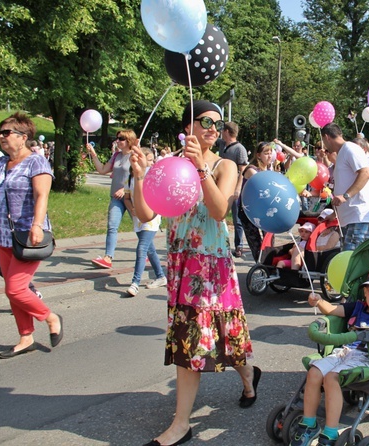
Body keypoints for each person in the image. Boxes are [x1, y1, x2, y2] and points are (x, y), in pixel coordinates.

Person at [129, 101, 259, 446]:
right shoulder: (169, 164)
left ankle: (244, 382)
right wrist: (140, 177)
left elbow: (218, 211)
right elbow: (145, 214)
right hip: (181, 264)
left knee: (216, 338)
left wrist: (201, 168)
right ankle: (183, 422)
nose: (213, 128)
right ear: (188, 125)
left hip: (212, 265)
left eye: (218, 124)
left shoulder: (224, 164)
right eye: (205, 121)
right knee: (196, 341)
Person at [291, 268, 369, 446]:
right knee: (314, 372)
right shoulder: (357, 307)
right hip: (344, 351)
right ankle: (309, 423)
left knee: (331, 377)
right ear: (365, 291)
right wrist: (318, 301)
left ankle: (330, 432)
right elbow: (333, 309)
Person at [0, 113, 62, 358]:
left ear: (23, 137)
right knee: (13, 288)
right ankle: (26, 337)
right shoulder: (1, 162)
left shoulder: (36, 162)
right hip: (3, 236)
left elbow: (41, 195)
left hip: (27, 235)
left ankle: (51, 317)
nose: (2, 136)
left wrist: (37, 225)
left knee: (14, 289)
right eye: (1, 132)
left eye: (7, 132)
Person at [321, 123, 369, 251]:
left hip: (359, 216)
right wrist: (335, 214)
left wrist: (346, 196)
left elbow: (366, 173)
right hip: (349, 218)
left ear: (327, 137)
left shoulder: (351, 149)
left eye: (323, 141)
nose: (324, 145)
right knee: (348, 261)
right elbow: (345, 182)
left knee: (352, 261)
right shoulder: (341, 153)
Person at [87, 129, 137, 269]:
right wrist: (93, 153)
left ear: (129, 140)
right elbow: (102, 170)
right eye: (117, 138)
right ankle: (108, 257)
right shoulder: (116, 156)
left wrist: (124, 189)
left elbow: (139, 176)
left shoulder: (135, 156)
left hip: (132, 197)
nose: (118, 141)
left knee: (140, 228)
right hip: (116, 198)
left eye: (121, 138)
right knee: (112, 226)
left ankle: (147, 255)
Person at [123, 147, 167, 297]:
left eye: (151, 160)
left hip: (152, 219)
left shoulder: (154, 177)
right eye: (148, 160)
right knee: (150, 249)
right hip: (137, 218)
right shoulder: (131, 177)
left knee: (142, 249)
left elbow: (159, 197)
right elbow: (127, 198)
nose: (151, 163)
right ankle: (161, 276)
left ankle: (135, 283)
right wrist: (132, 209)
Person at [239, 141, 274, 262]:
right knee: (256, 243)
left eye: (271, 153)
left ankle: (269, 266)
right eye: (266, 153)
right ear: (258, 155)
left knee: (269, 240)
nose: (269, 156)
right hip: (248, 211)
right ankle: (262, 266)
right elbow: (262, 184)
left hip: (264, 210)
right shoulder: (251, 169)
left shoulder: (269, 170)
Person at [219, 121, 248, 258]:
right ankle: (221, 243)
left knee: (237, 219)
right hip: (222, 186)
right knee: (220, 215)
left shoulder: (239, 149)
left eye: (222, 130)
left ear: (227, 132)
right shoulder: (221, 145)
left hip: (234, 188)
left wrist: (238, 188)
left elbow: (242, 170)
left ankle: (239, 245)